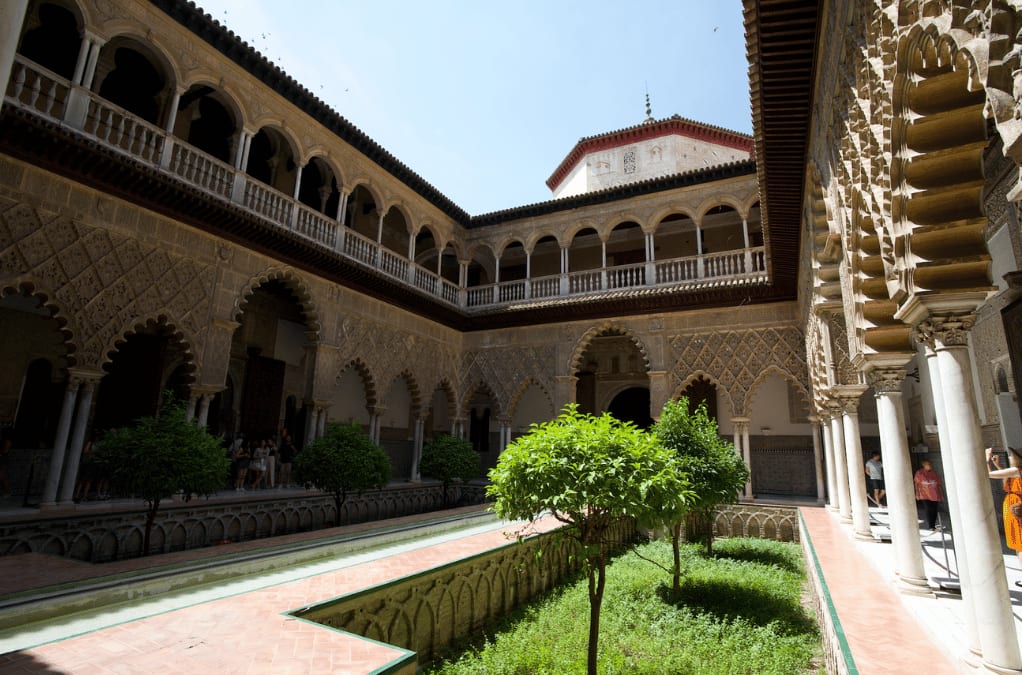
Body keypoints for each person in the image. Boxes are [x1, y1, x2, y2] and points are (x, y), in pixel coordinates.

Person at [987, 447, 1022, 586]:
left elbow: (988, 475)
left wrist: (986, 459)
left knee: (1020, 544)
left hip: (1017, 508)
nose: (1010, 457)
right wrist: (999, 466)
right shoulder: (1014, 472)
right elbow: (1006, 484)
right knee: (1017, 543)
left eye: (1011, 456)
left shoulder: (1017, 470)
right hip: (1012, 506)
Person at [913, 459, 942, 532]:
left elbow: (938, 484)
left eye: (930, 464)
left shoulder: (933, 473)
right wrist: (917, 493)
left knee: (934, 510)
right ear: (924, 465)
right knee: (929, 509)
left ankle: (933, 525)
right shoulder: (919, 473)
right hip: (925, 495)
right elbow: (916, 483)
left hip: (935, 495)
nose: (930, 465)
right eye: (928, 464)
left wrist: (941, 494)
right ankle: (931, 526)